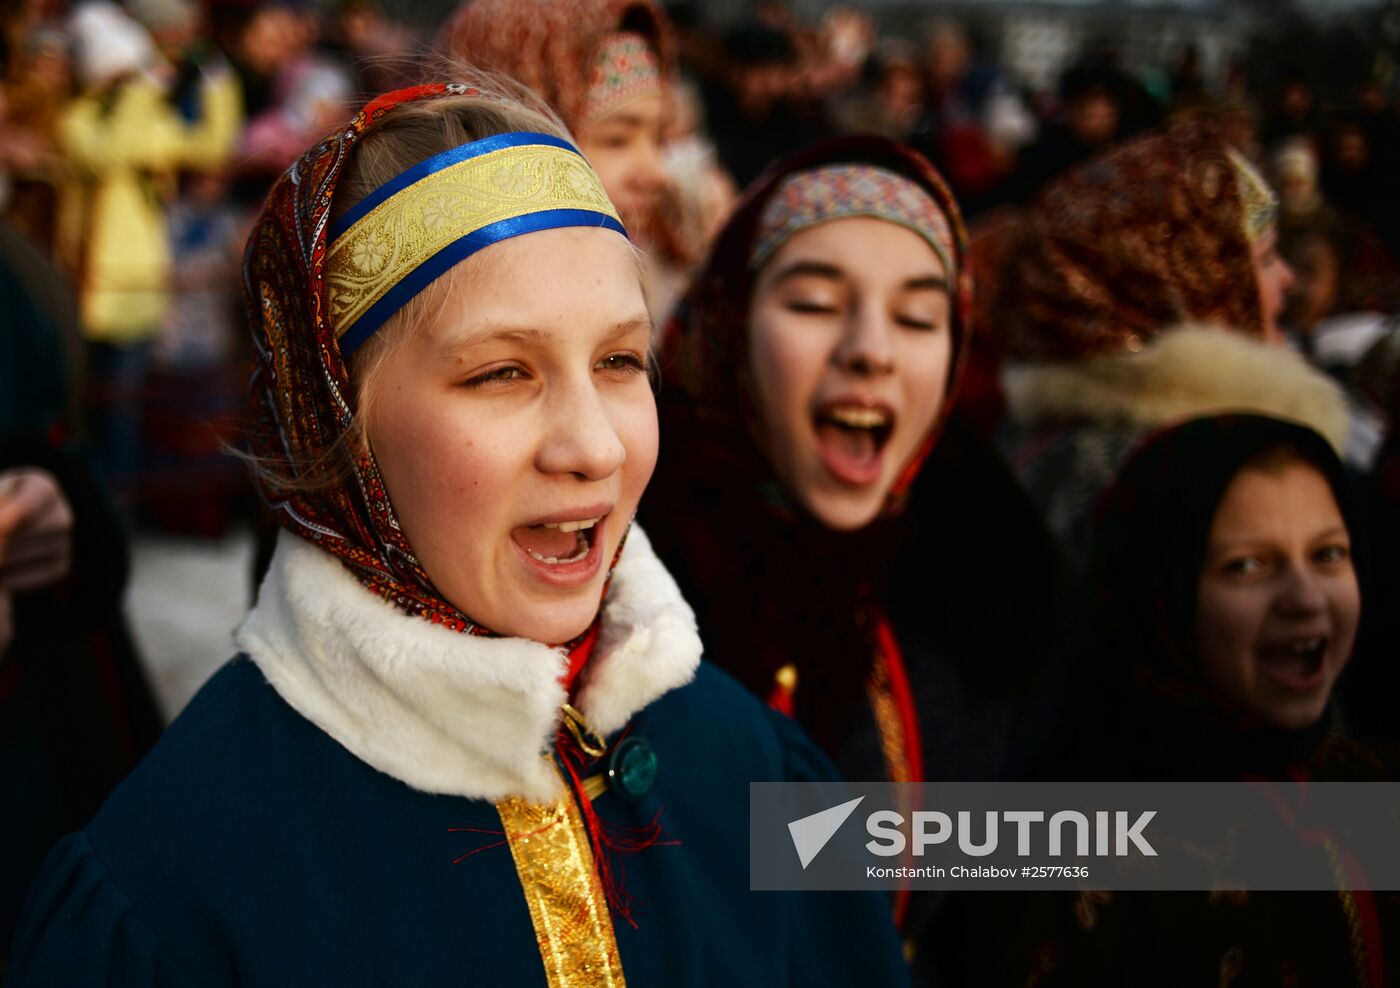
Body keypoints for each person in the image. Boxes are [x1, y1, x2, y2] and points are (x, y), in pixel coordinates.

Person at [7, 83, 909, 986]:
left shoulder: (754, 769)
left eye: (620, 361)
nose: (595, 445)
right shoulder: (178, 890)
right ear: (341, 428)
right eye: (502, 373)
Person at [641, 135, 1066, 975]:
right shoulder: (626, 568)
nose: (872, 348)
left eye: (918, 316)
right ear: (730, 324)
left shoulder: (1001, 576)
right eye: (814, 303)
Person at [993, 413, 1396, 987]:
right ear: (1163, 595)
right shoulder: (1073, 861)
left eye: (1329, 554)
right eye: (1248, 566)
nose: (1306, 598)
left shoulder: (1368, 786)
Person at [994, 114, 1352, 575]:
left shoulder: (1058, 436)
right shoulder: (1144, 469)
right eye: (1262, 260)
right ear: (1180, 288)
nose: (1287, 278)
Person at [440, 0, 694, 324]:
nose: (658, 174)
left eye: (660, 138)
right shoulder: (447, 318)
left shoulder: (668, 283)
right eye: (616, 140)